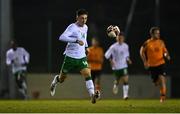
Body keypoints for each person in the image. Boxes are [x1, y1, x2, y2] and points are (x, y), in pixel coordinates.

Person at [50, 9, 97, 104]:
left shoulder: (86, 27)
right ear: (77, 18)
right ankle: (56, 80)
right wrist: (75, 40)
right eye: (82, 18)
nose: (84, 20)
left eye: (85, 18)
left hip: (81, 57)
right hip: (70, 57)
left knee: (88, 74)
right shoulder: (72, 27)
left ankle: (92, 95)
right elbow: (61, 37)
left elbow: (84, 38)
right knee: (62, 79)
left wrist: (86, 47)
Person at [140, 26, 171, 102]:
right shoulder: (147, 43)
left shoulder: (161, 42)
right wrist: (145, 61)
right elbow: (141, 51)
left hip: (161, 63)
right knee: (156, 83)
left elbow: (165, 51)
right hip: (152, 65)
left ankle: (163, 96)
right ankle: (160, 89)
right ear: (152, 34)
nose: (158, 35)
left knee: (162, 79)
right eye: (156, 33)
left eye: (158, 33)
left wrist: (167, 55)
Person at [105, 26, 132, 100]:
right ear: (116, 38)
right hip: (116, 67)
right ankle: (115, 84)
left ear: (123, 38)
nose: (120, 39)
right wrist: (111, 61)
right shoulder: (113, 47)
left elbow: (126, 55)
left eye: (121, 37)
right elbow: (107, 55)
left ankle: (125, 95)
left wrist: (128, 59)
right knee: (118, 80)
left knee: (125, 79)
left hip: (124, 66)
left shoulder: (126, 46)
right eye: (119, 37)